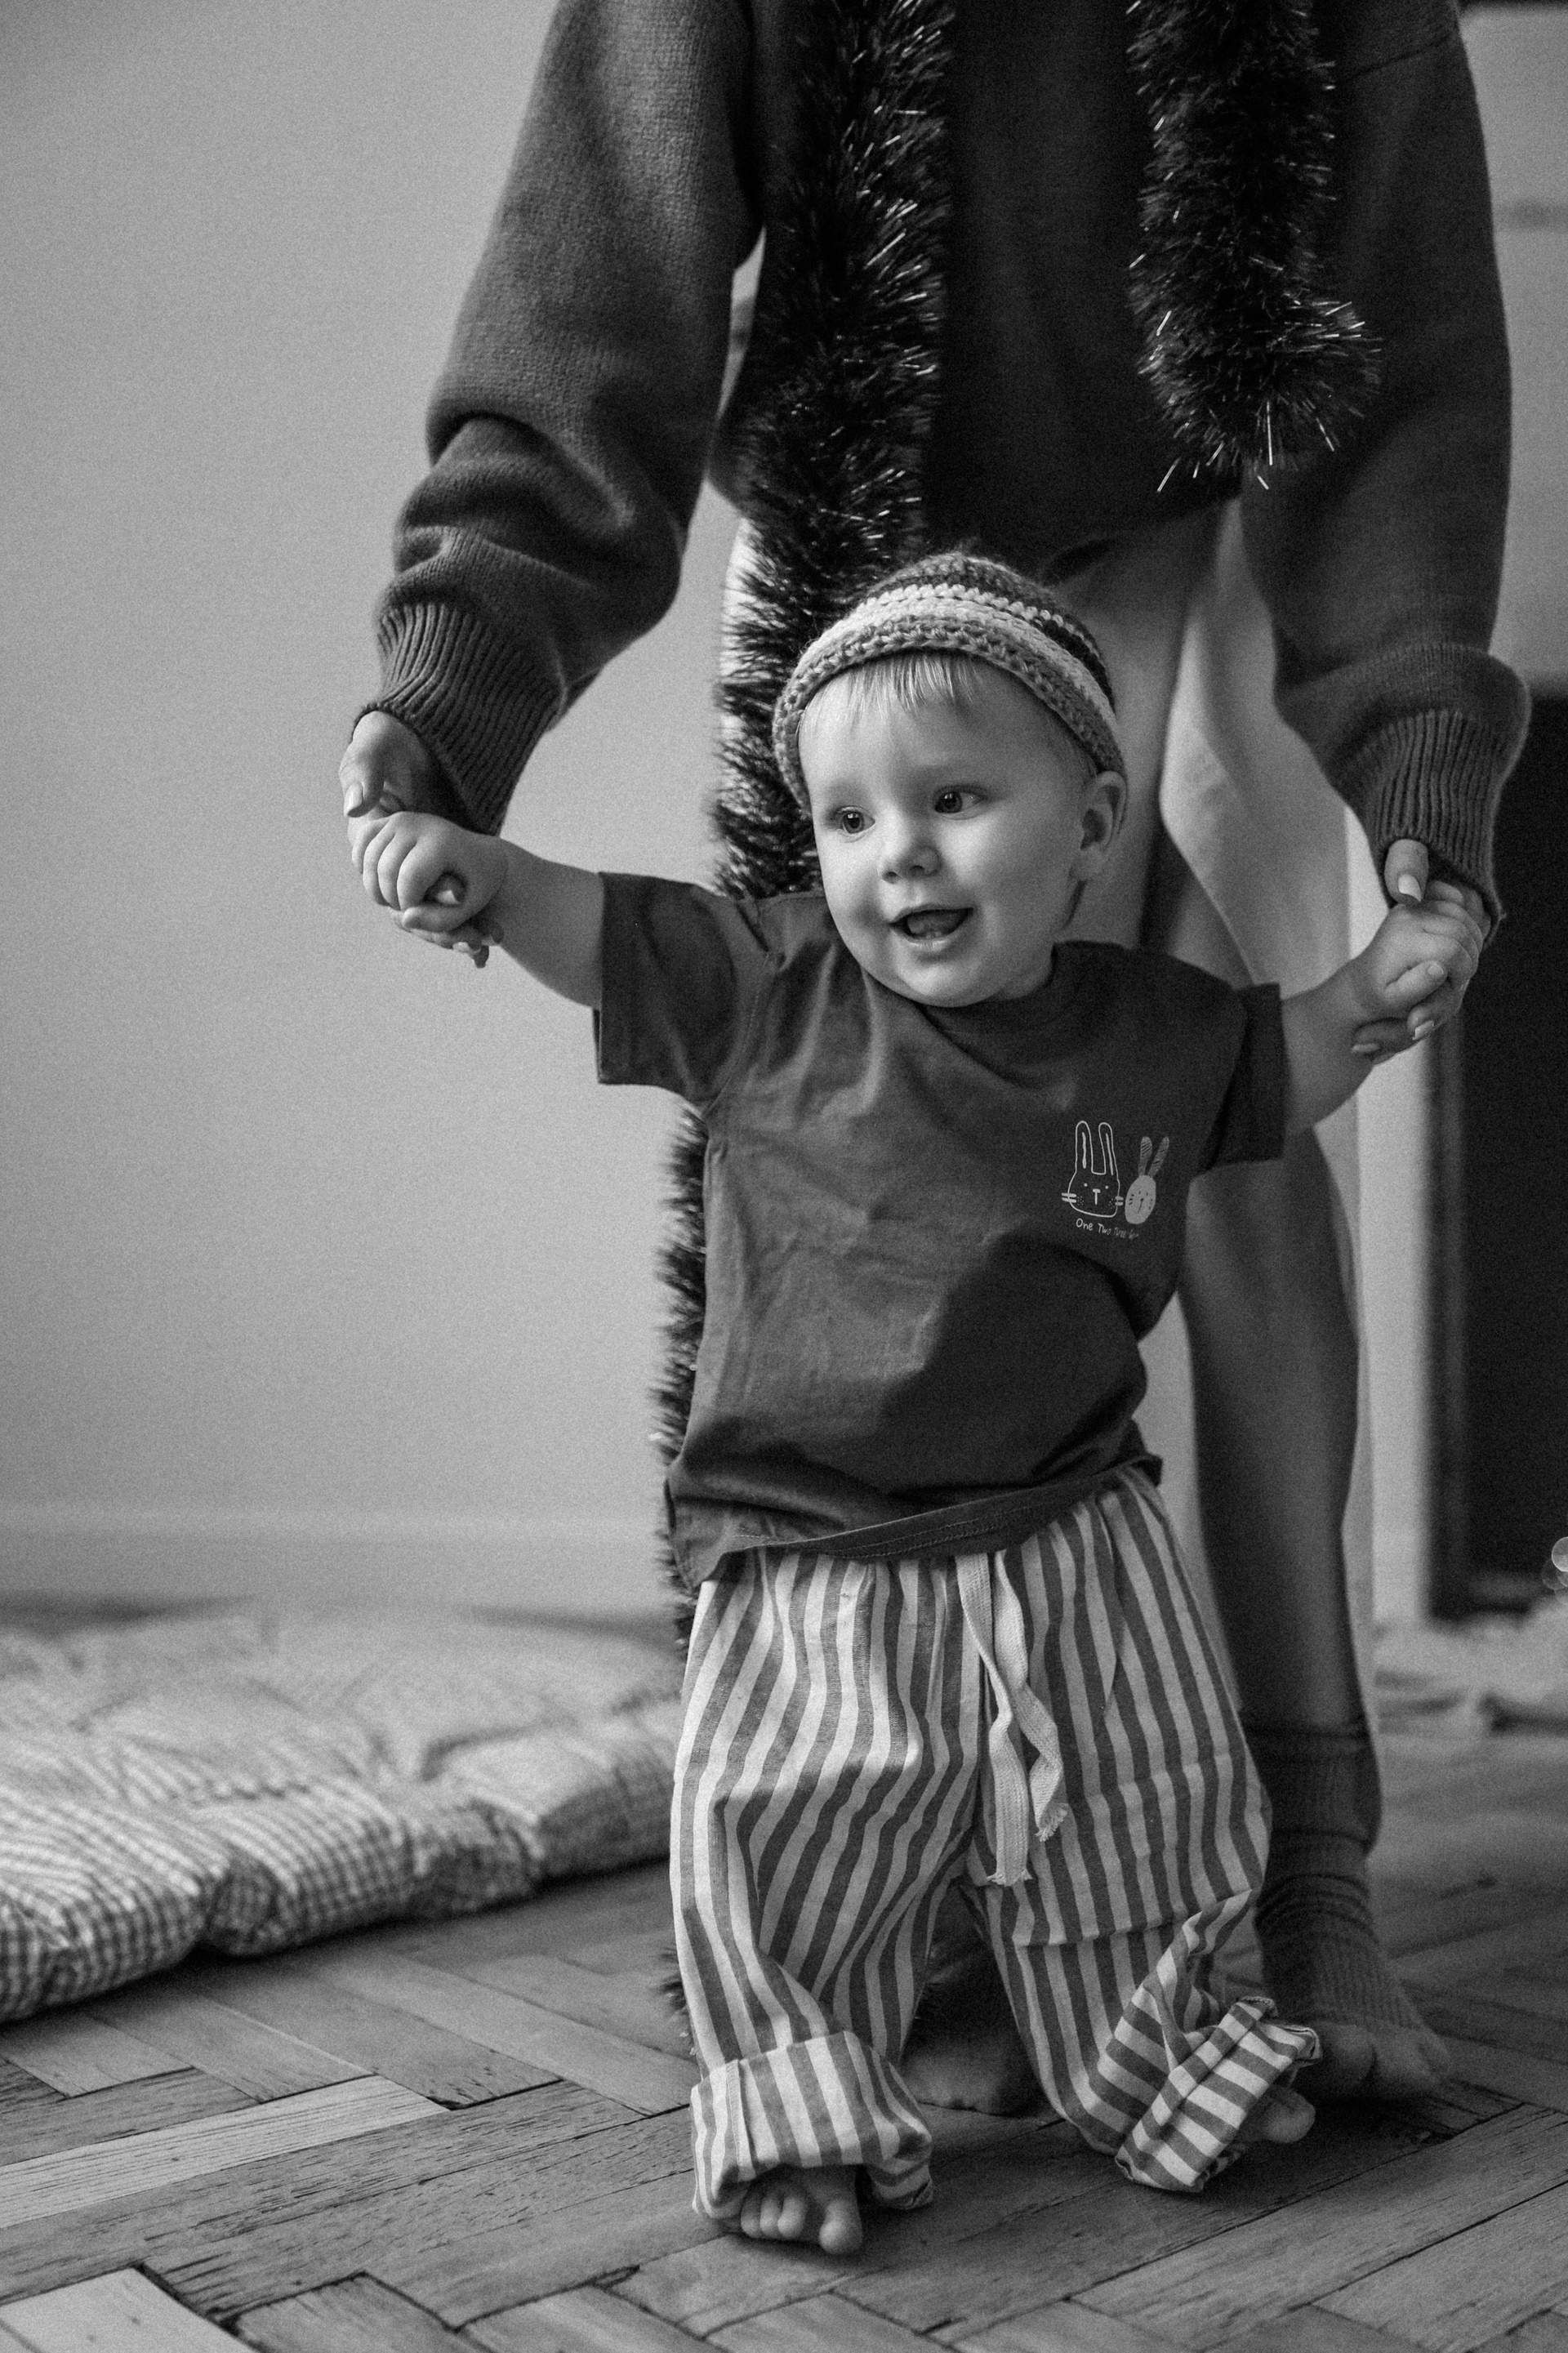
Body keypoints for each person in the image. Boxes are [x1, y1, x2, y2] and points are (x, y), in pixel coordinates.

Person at [340, 0, 1530, 2104]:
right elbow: (594, 276)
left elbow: (1401, 362)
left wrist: (1420, 787)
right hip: (865, 533)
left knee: (1241, 1156)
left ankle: (1301, 1858)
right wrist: (454, 698)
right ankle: (904, 1856)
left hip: (1220, 516)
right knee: (845, 1166)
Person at [346, 555, 1485, 2249]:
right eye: (851, 818)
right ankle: (800, 2105)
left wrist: (1377, 993)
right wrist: (481, 876)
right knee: (784, 1840)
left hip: (1075, 1534)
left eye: (955, 800)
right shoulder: (767, 983)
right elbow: (591, 928)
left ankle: (1165, 2056)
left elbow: (1287, 1060)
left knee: (1144, 1811)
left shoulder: (1150, 1026)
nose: (902, 853)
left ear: (1092, 824)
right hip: (814, 1551)